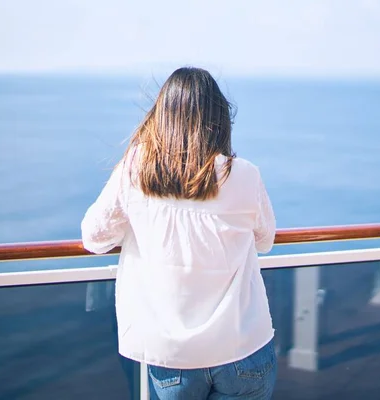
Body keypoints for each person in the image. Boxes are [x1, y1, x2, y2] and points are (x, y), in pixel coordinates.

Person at [81, 67, 277, 400]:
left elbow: (94, 238)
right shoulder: (243, 174)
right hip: (244, 347)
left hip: (174, 358)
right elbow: (265, 240)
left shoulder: (136, 169)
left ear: (161, 117)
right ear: (219, 119)